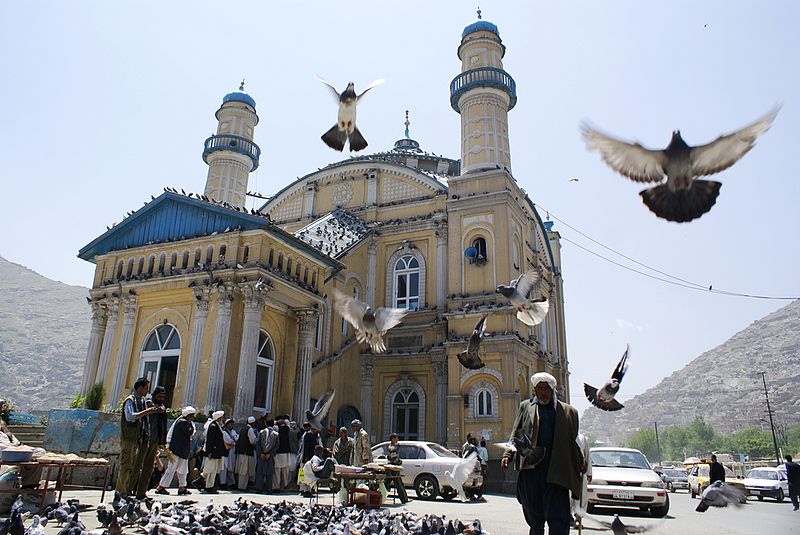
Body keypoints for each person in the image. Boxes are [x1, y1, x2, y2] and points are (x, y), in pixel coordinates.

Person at [501, 372, 582, 535]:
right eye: (539, 388)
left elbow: (573, 441)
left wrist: (579, 462)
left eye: (546, 388)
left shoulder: (569, 412)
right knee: (533, 512)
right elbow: (517, 432)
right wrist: (507, 455)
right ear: (535, 391)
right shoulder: (526, 407)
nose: (543, 392)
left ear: (552, 390)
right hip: (533, 470)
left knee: (558, 516)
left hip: (557, 471)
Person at [117, 377, 164, 497]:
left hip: (144, 438)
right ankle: (123, 492)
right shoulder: (130, 400)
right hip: (130, 438)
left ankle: (141, 492)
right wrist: (148, 411)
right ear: (140, 388)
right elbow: (130, 417)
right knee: (129, 466)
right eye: (146, 388)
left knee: (146, 467)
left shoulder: (143, 401)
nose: (147, 391)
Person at [135, 385, 168, 498]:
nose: (161, 397)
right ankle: (129, 489)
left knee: (148, 468)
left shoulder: (162, 408)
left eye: (163, 396)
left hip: (155, 440)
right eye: (159, 395)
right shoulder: (148, 403)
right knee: (137, 465)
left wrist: (161, 441)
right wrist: (159, 409)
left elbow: (162, 425)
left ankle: (141, 491)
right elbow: (154, 410)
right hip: (145, 438)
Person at [156, 406, 196, 495]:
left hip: (182, 451)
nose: (193, 418)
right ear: (189, 416)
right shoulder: (183, 422)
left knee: (183, 470)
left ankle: (182, 487)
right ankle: (161, 486)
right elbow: (189, 432)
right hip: (177, 450)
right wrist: (192, 427)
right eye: (192, 416)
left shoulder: (183, 422)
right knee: (171, 469)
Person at [201, 411, 227, 493]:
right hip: (213, 452)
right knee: (211, 470)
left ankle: (207, 485)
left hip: (217, 452)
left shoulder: (217, 426)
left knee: (213, 470)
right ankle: (208, 486)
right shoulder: (213, 426)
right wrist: (209, 452)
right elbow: (210, 441)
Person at [571, 433, 592, 524]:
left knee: (580, 496)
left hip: (580, 472)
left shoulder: (582, 438)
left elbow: (587, 455)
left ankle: (578, 518)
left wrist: (589, 473)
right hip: (567, 472)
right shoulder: (563, 435)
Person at [235, 416, 258, 490]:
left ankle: (241, 485)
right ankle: (242, 487)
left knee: (242, 470)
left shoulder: (243, 428)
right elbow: (252, 440)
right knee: (244, 470)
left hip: (241, 452)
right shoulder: (250, 429)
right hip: (246, 453)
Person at [299, 422, 322, 495]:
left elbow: (308, 447)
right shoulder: (307, 434)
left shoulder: (309, 434)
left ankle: (306, 490)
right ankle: (303, 489)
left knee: (306, 474)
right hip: (305, 458)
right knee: (303, 474)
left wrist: (307, 457)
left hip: (307, 458)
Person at [255, 419, 278, 493]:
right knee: (269, 473)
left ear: (265, 423)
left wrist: (261, 453)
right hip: (269, 456)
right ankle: (268, 489)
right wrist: (270, 454)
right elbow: (277, 446)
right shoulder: (276, 434)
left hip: (263, 456)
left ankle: (259, 489)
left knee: (260, 473)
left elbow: (257, 444)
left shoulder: (261, 432)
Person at [272, 417, 294, 492]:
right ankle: (285, 484)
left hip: (278, 452)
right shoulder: (288, 429)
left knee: (277, 470)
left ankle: (276, 486)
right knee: (285, 470)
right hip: (286, 452)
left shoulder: (276, 429)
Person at [220, 419, 238, 490]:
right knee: (224, 468)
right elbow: (228, 440)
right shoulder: (224, 432)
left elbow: (236, 438)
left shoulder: (233, 431)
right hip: (226, 452)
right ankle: (223, 483)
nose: (232, 426)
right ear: (227, 425)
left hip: (232, 452)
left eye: (232, 424)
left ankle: (231, 483)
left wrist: (234, 440)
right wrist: (234, 440)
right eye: (230, 424)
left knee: (231, 468)